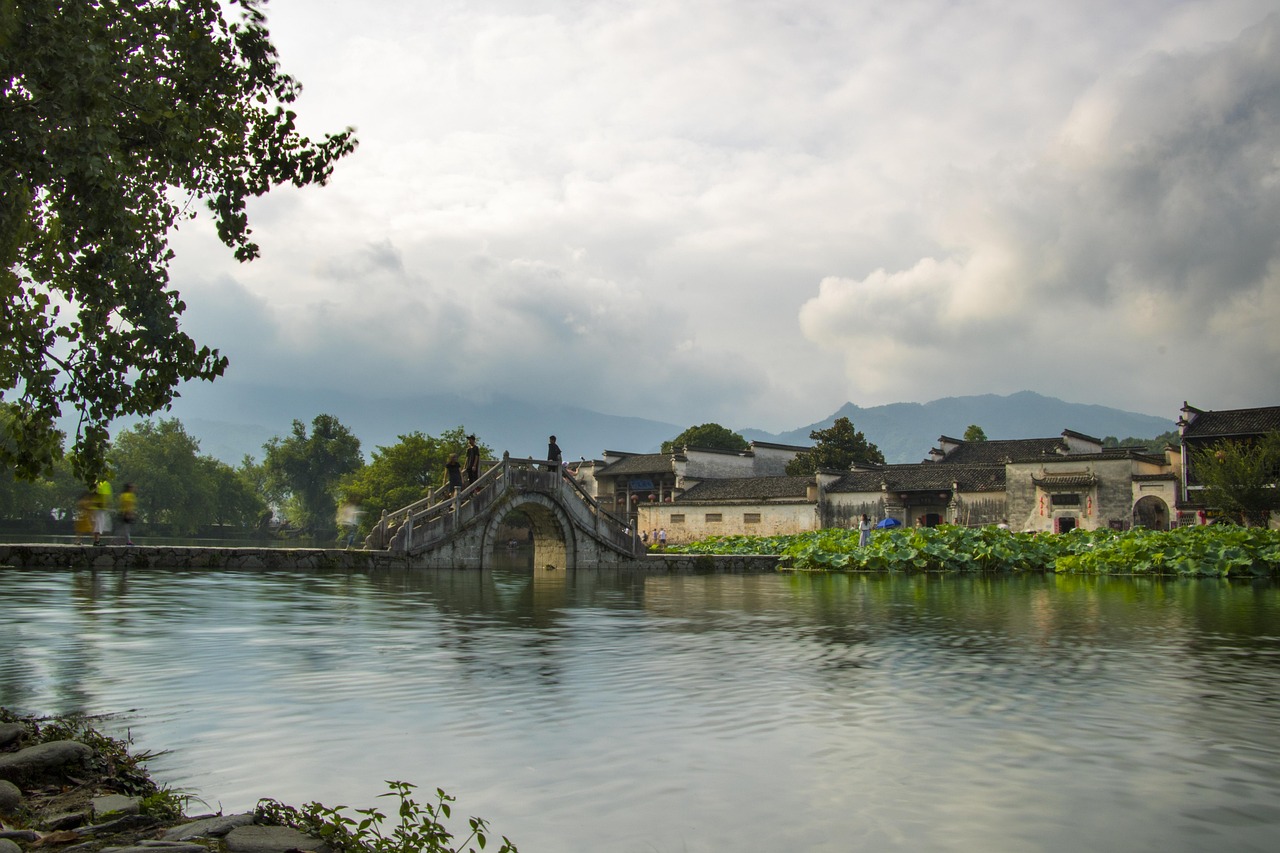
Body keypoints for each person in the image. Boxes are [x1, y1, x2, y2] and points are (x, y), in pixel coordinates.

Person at [92, 479, 113, 545]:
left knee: (101, 525)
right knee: (98, 525)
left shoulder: (103, 483)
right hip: (98, 508)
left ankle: (97, 541)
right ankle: (96, 541)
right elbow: (100, 495)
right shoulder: (100, 483)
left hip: (100, 508)